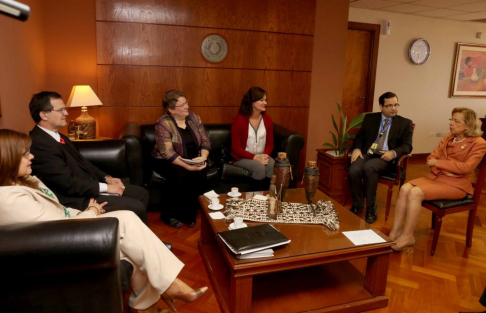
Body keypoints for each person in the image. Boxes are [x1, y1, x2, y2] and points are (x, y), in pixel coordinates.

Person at [0, 129, 208, 313]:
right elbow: (54, 229)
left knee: (134, 247)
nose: (32, 156)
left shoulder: (22, 182)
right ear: (7, 159)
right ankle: (168, 287)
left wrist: (90, 209)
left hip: (66, 234)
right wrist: (91, 211)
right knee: (126, 221)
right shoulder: (9, 198)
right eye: (25, 154)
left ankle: (150, 303)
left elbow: (58, 211)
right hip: (58, 251)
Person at [28, 91, 150, 225]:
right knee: (136, 206)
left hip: (87, 188)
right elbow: (68, 184)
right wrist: (106, 188)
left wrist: (107, 178)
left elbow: (83, 162)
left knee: (141, 193)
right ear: (43, 115)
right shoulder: (39, 144)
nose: (66, 113)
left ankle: (133, 236)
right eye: (61, 110)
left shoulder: (59, 136)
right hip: (75, 199)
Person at [389, 108, 486, 252]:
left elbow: (466, 168)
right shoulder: (448, 138)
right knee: (404, 189)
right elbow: (430, 159)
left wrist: (439, 164)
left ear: (468, 125)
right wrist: (444, 168)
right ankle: (395, 232)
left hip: (457, 185)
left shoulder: (479, 143)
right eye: (451, 119)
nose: (451, 123)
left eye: (456, 121)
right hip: (437, 177)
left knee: (415, 192)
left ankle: (407, 236)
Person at [348, 92, 413, 224]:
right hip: (369, 152)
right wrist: (356, 149)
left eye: (396, 104)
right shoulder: (370, 119)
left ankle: (371, 207)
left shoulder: (405, 123)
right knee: (353, 169)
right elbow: (360, 137)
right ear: (381, 106)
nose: (393, 108)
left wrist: (393, 152)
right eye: (389, 105)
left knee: (369, 168)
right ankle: (358, 204)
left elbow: (407, 146)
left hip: (386, 157)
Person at [152, 90, 210, 228]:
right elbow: (167, 152)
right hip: (167, 160)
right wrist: (188, 166)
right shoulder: (163, 124)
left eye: (187, 103)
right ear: (171, 110)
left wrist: (202, 157)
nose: (187, 107)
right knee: (180, 174)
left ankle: (189, 214)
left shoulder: (194, 118)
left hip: (192, 157)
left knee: (200, 173)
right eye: (182, 105)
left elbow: (205, 140)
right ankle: (169, 214)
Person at [231, 87, 274, 189]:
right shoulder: (240, 120)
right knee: (259, 168)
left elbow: (270, 143)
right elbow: (236, 148)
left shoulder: (267, 119)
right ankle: (255, 199)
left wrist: (264, 156)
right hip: (242, 157)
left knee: (272, 164)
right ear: (252, 102)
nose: (265, 103)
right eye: (261, 100)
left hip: (261, 155)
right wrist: (256, 158)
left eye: (265, 100)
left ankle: (267, 196)